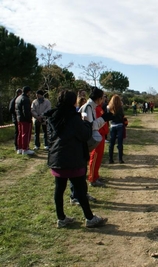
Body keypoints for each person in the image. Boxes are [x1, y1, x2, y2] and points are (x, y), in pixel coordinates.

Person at [45, 90, 108, 228]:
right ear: (73, 102)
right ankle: (90, 218)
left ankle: (61, 218)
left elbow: (49, 137)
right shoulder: (73, 118)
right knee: (80, 189)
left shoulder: (53, 116)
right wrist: (86, 123)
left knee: (59, 189)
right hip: (73, 158)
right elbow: (85, 135)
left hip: (57, 158)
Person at [87, 94, 109, 187]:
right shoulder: (93, 108)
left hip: (102, 135)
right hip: (97, 136)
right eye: (103, 97)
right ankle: (92, 178)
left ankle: (96, 176)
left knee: (99, 157)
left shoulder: (100, 108)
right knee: (94, 157)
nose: (104, 99)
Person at [15, 86, 34, 155]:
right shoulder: (25, 99)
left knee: (20, 134)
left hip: (19, 119)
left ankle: (20, 148)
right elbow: (26, 111)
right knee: (26, 134)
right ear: (28, 91)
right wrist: (29, 119)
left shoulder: (18, 98)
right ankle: (25, 149)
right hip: (25, 119)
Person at [108, 94, 125, 164]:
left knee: (111, 143)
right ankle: (120, 159)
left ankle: (110, 159)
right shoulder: (120, 108)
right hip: (120, 126)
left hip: (112, 126)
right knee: (120, 143)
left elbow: (108, 117)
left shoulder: (109, 108)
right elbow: (122, 116)